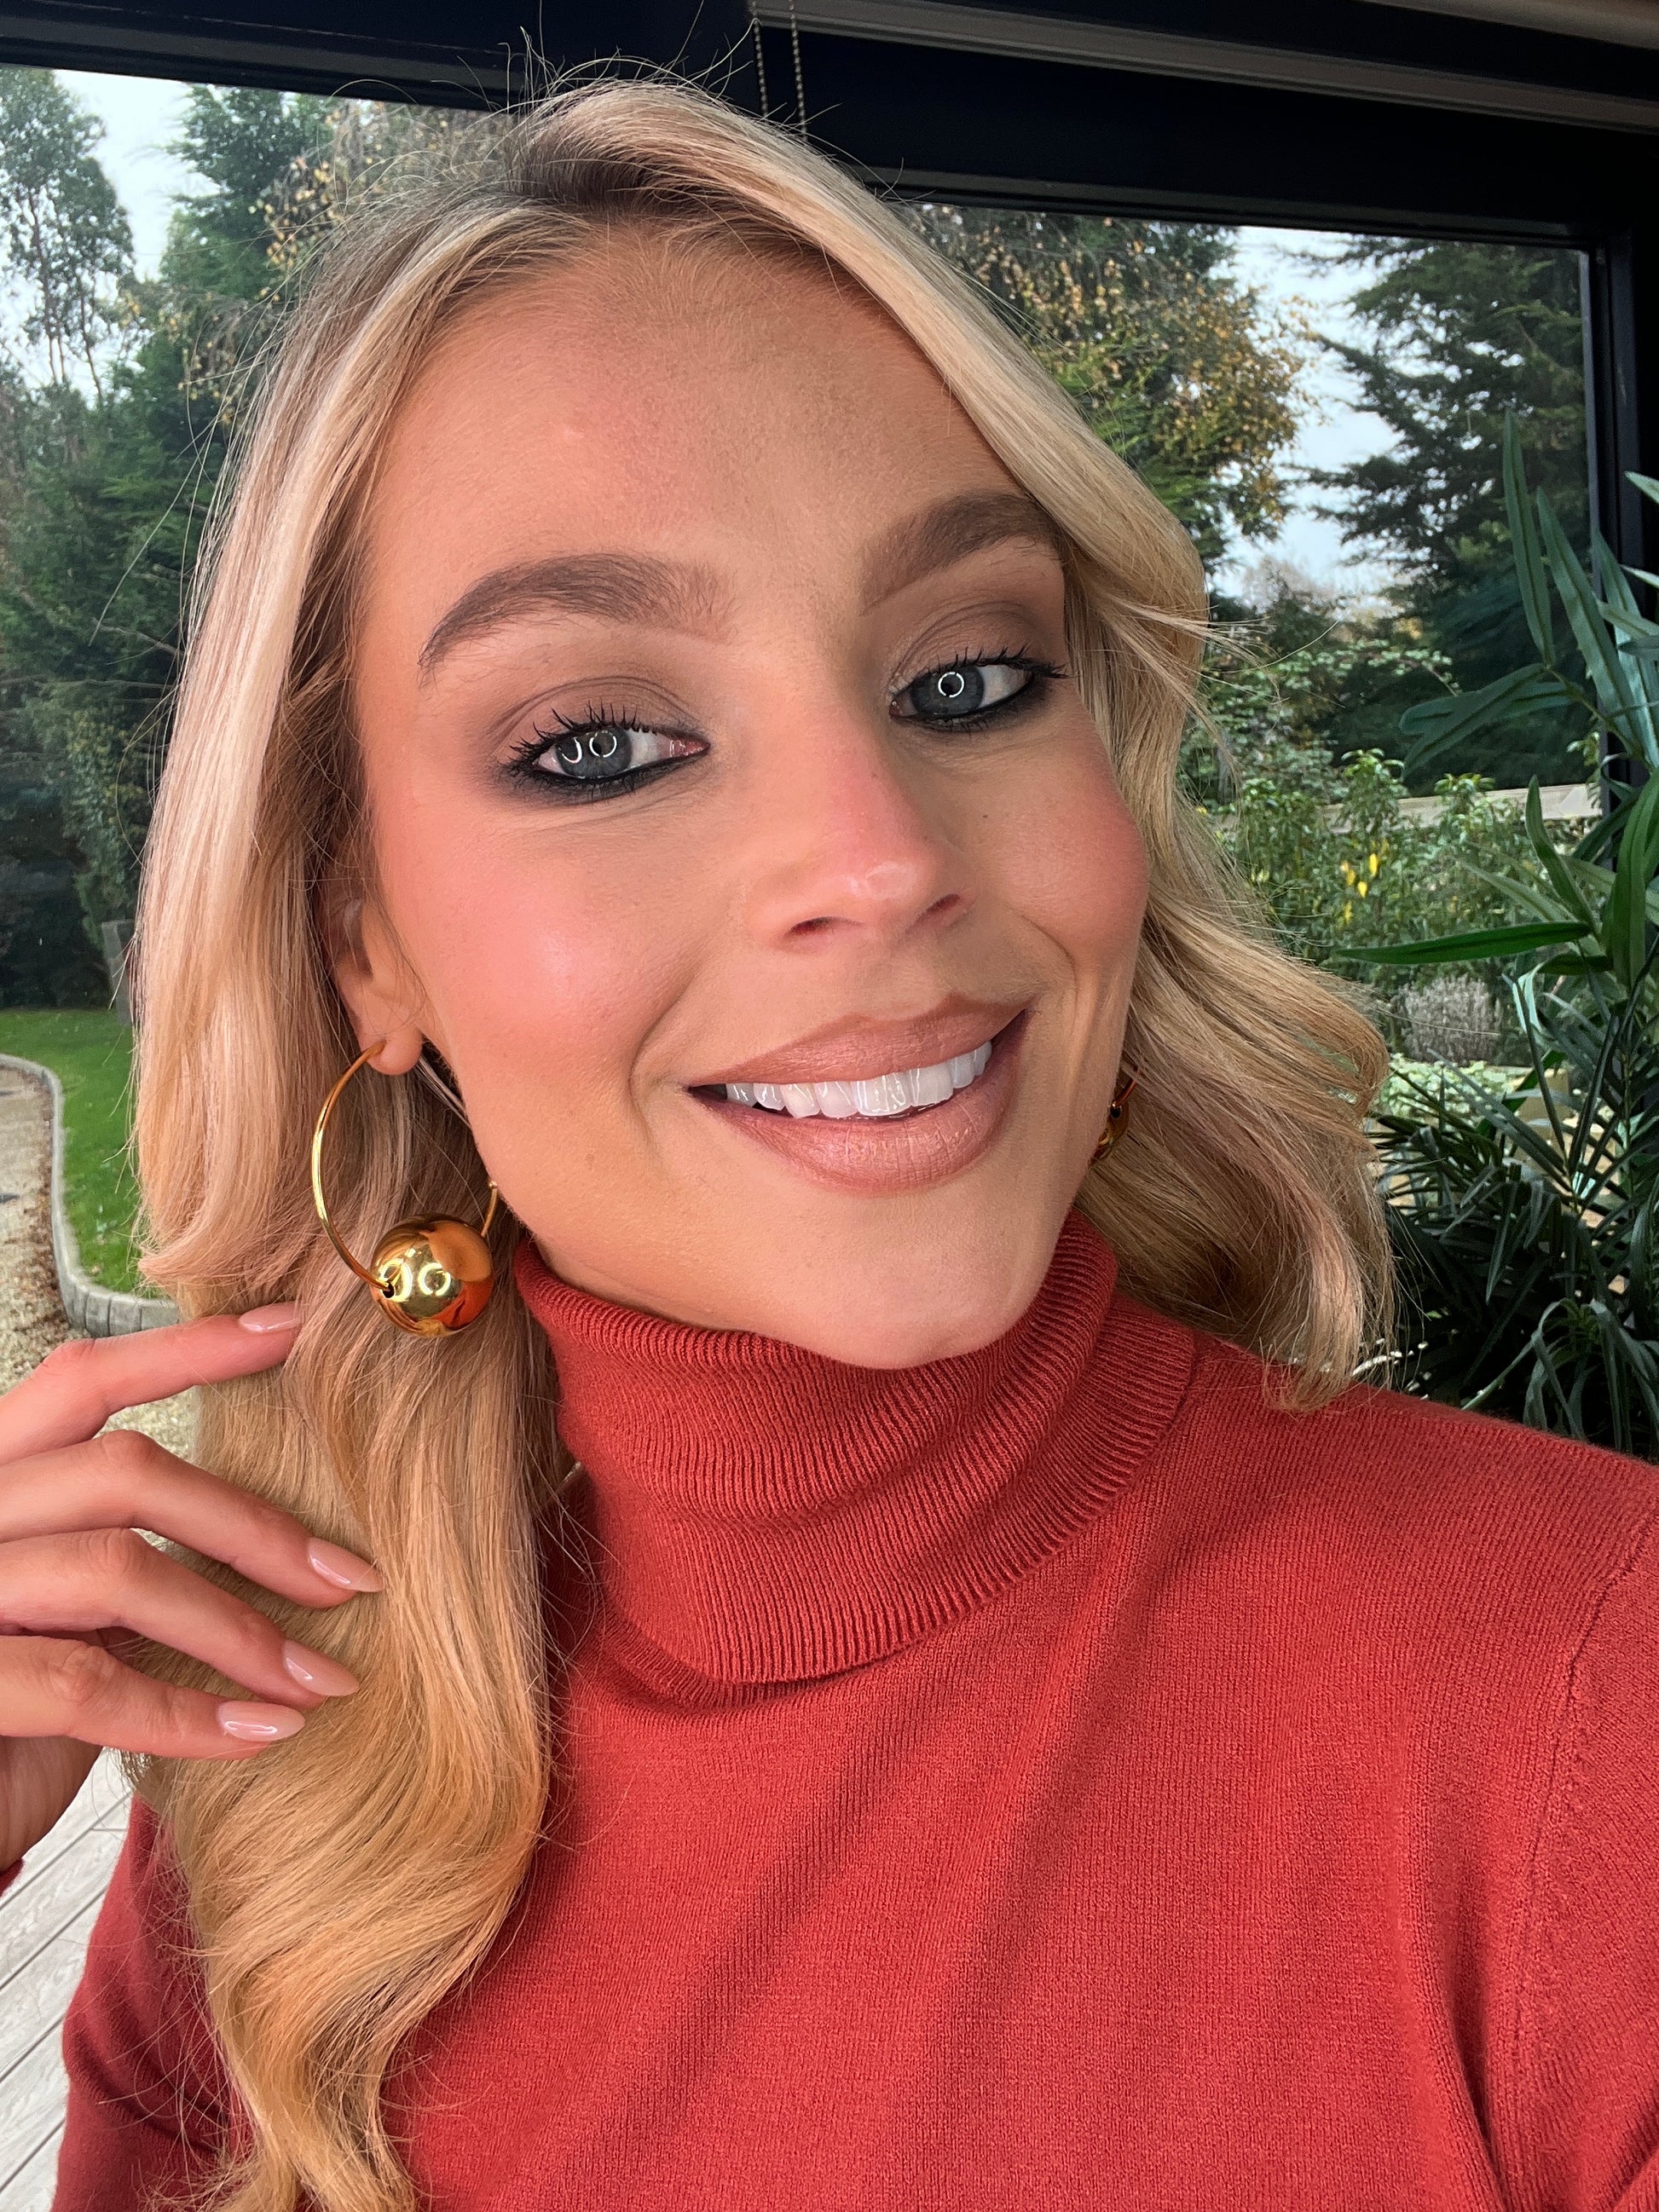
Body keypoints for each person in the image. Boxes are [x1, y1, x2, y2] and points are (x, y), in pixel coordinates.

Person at [0, 76, 1653, 2212]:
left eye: (969, 679)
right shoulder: (282, 1772)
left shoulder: (1591, 1707)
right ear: (362, 941)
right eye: (603, 742)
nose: (876, 859)